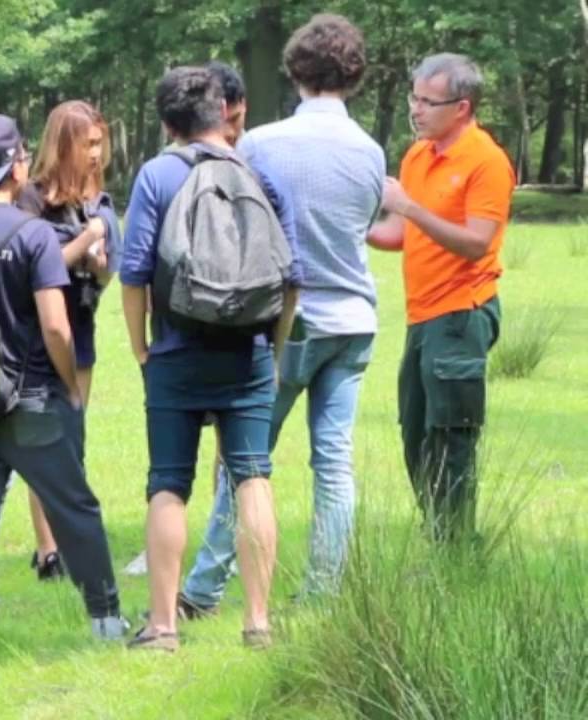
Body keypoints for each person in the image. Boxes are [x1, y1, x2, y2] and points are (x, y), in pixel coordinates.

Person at [181, 18, 386, 613]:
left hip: (284, 320)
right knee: (334, 463)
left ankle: (203, 588)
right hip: (352, 320)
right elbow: (366, 223)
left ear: (295, 70)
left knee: (245, 463)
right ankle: (321, 593)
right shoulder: (370, 151)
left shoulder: (263, 144)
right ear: (353, 75)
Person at [0, 115, 126, 680]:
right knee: (74, 505)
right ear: (16, 167)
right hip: (35, 397)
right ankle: (106, 618)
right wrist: (66, 386)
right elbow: (57, 328)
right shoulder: (32, 235)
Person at [120, 67, 300, 652]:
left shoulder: (156, 174)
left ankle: (164, 627)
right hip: (248, 352)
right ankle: (257, 623)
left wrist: (142, 347)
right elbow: (291, 278)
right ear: (225, 112)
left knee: (168, 484)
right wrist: (272, 351)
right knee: (252, 477)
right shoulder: (262, 173)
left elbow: (134, 273)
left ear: (167, 121)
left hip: (175, 350)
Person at [368, 53, 514, 543]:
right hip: (422, 316)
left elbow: (476, 241)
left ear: (463, 107)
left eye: (429, 102)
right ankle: (442, 539)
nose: (417, 109)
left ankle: (454, 555)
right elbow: (399, 232)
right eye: (414, 97)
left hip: (461, 314)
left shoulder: (486, 161)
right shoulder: (417, 156)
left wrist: (409, 206)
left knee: (451, 439)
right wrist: (351, 227)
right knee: (415, 435)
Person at [15, 100, 120, 581]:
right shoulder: (31, 200)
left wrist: (100, 268)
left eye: (101, 143)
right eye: (88, 144)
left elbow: (106, 277)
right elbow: (34, 265)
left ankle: (68, 542)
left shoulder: (99, 201)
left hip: (81, 328)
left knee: (72, 438)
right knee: (45, 441)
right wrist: (85, 242)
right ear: (63, 144)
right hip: (37, 335)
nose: (97, 154)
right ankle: (48, 549)